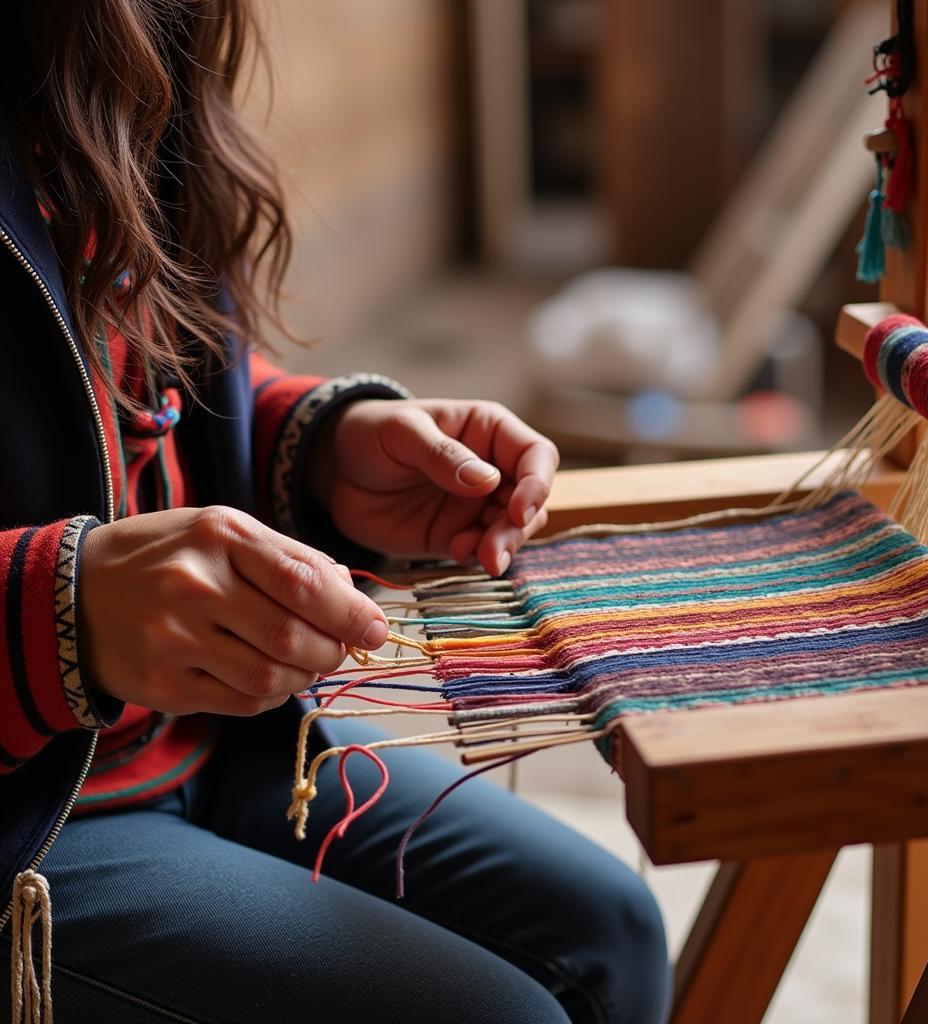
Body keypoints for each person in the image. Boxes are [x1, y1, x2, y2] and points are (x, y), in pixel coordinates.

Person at [0, 3, 670, 1022]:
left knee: (608, 926)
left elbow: (132, 380)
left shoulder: (120, 58)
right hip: (39, 824)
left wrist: (316, 450)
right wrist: (56, 612)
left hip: (213, 742)